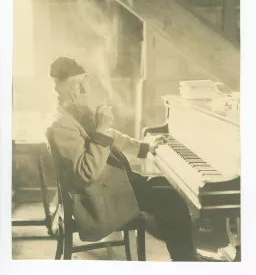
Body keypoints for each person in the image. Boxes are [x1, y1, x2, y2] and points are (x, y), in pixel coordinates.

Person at [46, 57, 219, 261]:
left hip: (111, 187)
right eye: (81, 84)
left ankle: (185, 254)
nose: (86, 89)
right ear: (69, 88)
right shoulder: (60, 126)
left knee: (165, 185)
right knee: (169, 200)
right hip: (97, 202)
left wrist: (143, 148)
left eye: (86, 81)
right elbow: (86, 174)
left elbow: (111, 137)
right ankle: (185, 261)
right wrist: (101, 129)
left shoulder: (76, 112)